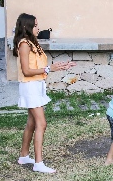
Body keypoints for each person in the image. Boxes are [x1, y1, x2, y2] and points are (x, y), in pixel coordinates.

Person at [13, 13, 76, 173]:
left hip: (36, 85)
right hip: (30, 86)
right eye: (35, 25)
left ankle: (24, 156)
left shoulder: (32, 43)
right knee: (42, 123)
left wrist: (59, 66)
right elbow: (26, 71)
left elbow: (40, 67)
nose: (38, 28)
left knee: (32, 123)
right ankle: (38, 163)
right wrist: (49, 69)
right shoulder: (24, 44)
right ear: (27, 27)